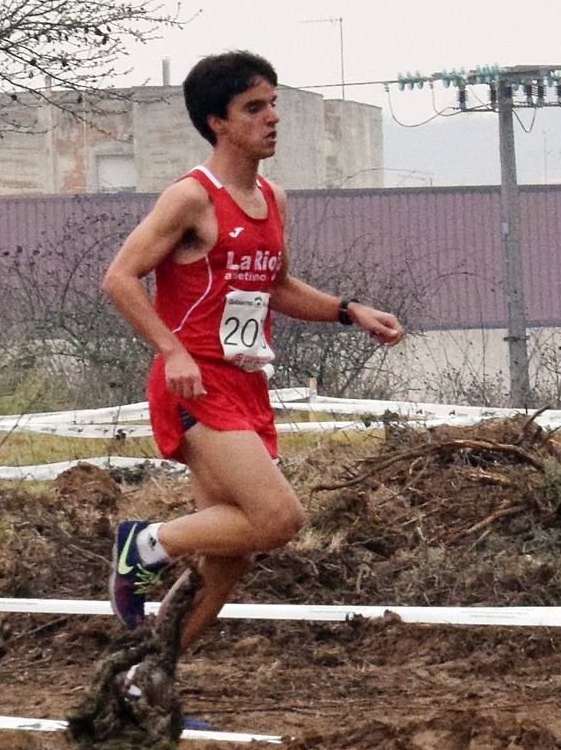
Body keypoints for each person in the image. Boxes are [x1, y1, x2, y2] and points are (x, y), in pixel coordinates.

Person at [102, 51, 405, 651]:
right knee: (277, 519)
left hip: (244, 382)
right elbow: (119, 278)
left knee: (230, 562)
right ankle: (143, 545)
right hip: (194, 383)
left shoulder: (272, 198)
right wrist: (172, 351)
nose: (272, 118)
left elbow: (278, 287)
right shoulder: (191, 198)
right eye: (254, 108)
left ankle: (142, 681)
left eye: (274, 105)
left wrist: (349, 310)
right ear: (217, 120)